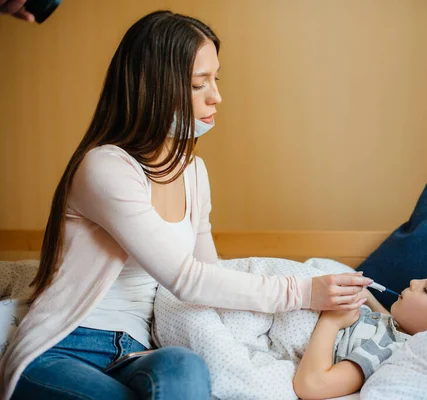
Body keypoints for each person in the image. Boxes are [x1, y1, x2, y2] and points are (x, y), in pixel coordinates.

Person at [0, 10, 372, 400]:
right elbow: (185, 278)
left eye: (216, 78)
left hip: (138, 351)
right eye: (199, 84)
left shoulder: (194, 172)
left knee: (186, 367)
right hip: (65, 347)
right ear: (153, 88)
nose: (217, 96)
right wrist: (304, 291)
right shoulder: (105, 166)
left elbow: (209, 276)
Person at [293, 255, 427, 399]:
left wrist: (331, 320)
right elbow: (390, 323)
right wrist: (367, 296)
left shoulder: (389, 351)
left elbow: (312, 385)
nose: (414, 282)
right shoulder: (400, 329)